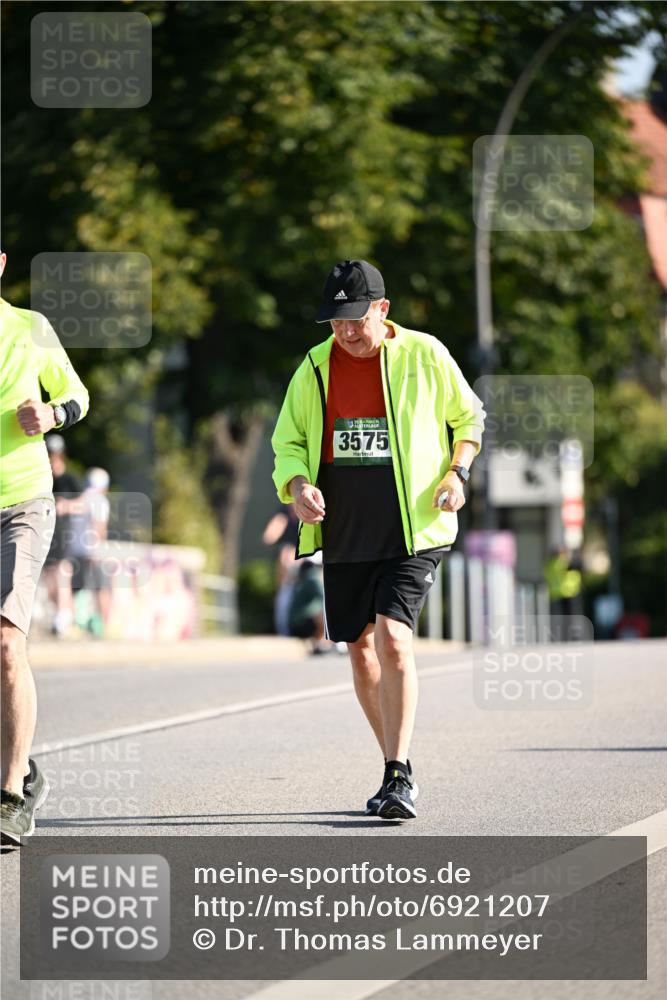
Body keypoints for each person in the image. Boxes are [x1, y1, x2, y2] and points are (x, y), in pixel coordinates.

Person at [272, 259, 484, 819]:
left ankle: (398, 772)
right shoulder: (314, 368)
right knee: (360, 649)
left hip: (414, 527)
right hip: (344, 529)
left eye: (355, 319)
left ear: (382, 310)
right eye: (335, 321)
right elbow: (287, 442)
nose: (345, 332)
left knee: (392, 638)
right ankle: (393, 761)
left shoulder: (426, 354)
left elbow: (469, 419)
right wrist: (298, 485)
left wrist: (456, 474)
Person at [0, 250, 89, 844]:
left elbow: (78, 398)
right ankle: (22, 761)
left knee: (7, 640)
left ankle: (11, 794)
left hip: (22, 501)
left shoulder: (30, 328)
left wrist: (50, 411)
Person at [42, 434, 81, 638]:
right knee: (50, 579)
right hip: (45, 534)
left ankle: (64, 617)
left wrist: (67, 506)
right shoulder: (43, 478)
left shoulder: (69, 479)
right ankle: (63, 615)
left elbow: (83, 504)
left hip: (63, 534)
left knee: (61, 574)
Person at [69, 467, 111, 636]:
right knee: (101, 589)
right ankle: (103, 628)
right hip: (93, 551)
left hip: (76, 550)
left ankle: (77, 626)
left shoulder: (79, 499)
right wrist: (98, 546)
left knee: (76, 590)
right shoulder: (99, 500)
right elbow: (98, 525)